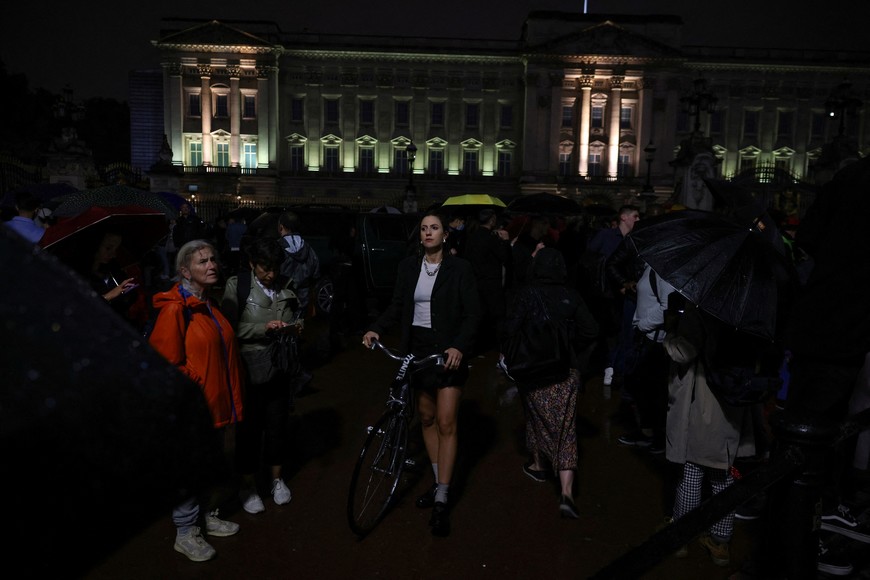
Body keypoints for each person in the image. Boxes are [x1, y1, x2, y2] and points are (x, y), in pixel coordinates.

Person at [362, 210, 481, 537]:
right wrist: (376, 328)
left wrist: (459, 346)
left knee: (446, 422)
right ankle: (438, 478)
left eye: (435, 228)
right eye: (424, 228)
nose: (428, 233)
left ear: (445, 234)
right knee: (426, 418)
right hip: (417, 349)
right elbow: (398, 306)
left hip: (447, 352)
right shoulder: (408, 267)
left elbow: (473, 313)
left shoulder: (460, 269)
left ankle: (442, 496)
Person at [148, 240, 244, 563]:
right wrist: (198, 386)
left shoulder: (209, 305)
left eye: (213, 258)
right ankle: (185, 532)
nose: (212, 264)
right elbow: (164, 365)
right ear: (185, 271)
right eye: (203, 261)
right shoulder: (176, 309)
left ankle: (204, 516)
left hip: (214, 406)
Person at [500, 247, 598, 519]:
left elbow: (509, 329)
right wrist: (568, 347)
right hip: (565, 371)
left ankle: (538, 464)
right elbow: (591, 330)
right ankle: (566, 492)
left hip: (532, 371)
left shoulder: (526, 293)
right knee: (565, 430)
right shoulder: (571, 295)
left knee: (534, 418)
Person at [663, 298, 760, 567]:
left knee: (693, 470)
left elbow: (684, 352)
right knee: (723, 473)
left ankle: (682, 536)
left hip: (705, 400)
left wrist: (671, 333)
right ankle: (720, 542)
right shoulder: (750, 307)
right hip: (734, 401)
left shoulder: (705, 305)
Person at [221, 237, 299, 515]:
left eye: (275, 268)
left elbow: (298, 319)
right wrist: (264, 329)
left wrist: (292, 327)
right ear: (253, 264)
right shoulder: (237, 286)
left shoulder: (287, 284)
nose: (271, 274)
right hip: (249, 367)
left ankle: (277, 480)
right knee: (249, 429)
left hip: (279, 365)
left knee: (277, 426)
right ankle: (247, 485)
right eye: (265, 268)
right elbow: (229, 330)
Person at [584, 205, 640, 389]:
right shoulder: (606, 235)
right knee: (606, 331)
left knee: (618, 331)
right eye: (635, 216)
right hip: (604, 293)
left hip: (621, 294)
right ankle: (598, 367)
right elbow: (590, 259)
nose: (638, 220)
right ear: (624, 217)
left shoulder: (632, 239)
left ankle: (611, 366)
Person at [462, 208, 511, 355]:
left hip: (476, 282)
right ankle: (500, 349)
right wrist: (506, 242)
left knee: (478, 316)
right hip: (492, 283)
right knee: (497, 317)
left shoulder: (472, 237)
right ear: (492, 220)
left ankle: (475, 348)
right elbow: (506, 258)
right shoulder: (492, 238)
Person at [82, 229, 149, 332]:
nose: (113, 254)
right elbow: (84, 310)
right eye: (108, 248)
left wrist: (131, 293)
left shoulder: (113, 268)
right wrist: (110, 295)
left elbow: (126, 293)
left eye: (116, 249)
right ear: (94, 245)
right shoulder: (78, 275)